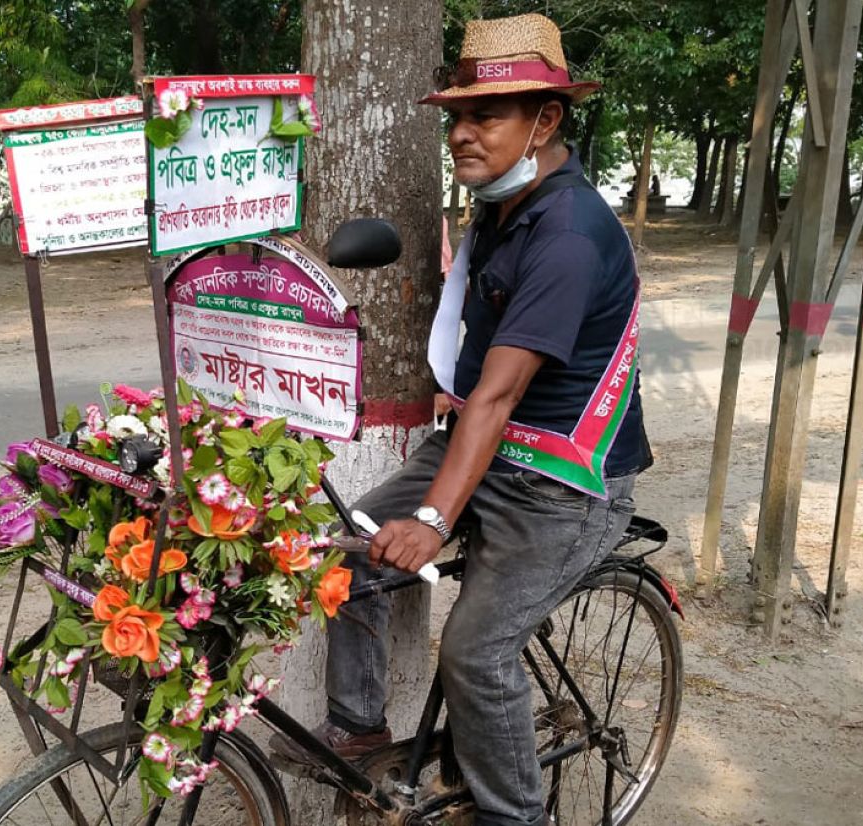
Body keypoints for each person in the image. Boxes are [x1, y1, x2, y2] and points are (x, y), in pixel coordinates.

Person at [272, 14, 650, 826]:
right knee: (350, 549)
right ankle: (362, 729)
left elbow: (500, 397)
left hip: (564, 484)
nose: (462, 135)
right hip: (483, 448)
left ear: (545, 120)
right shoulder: (501, 210)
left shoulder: (570, 234)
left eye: (488, 116)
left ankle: (518, 815)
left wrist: (437, 517)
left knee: (476, 654)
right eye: (457, 117)